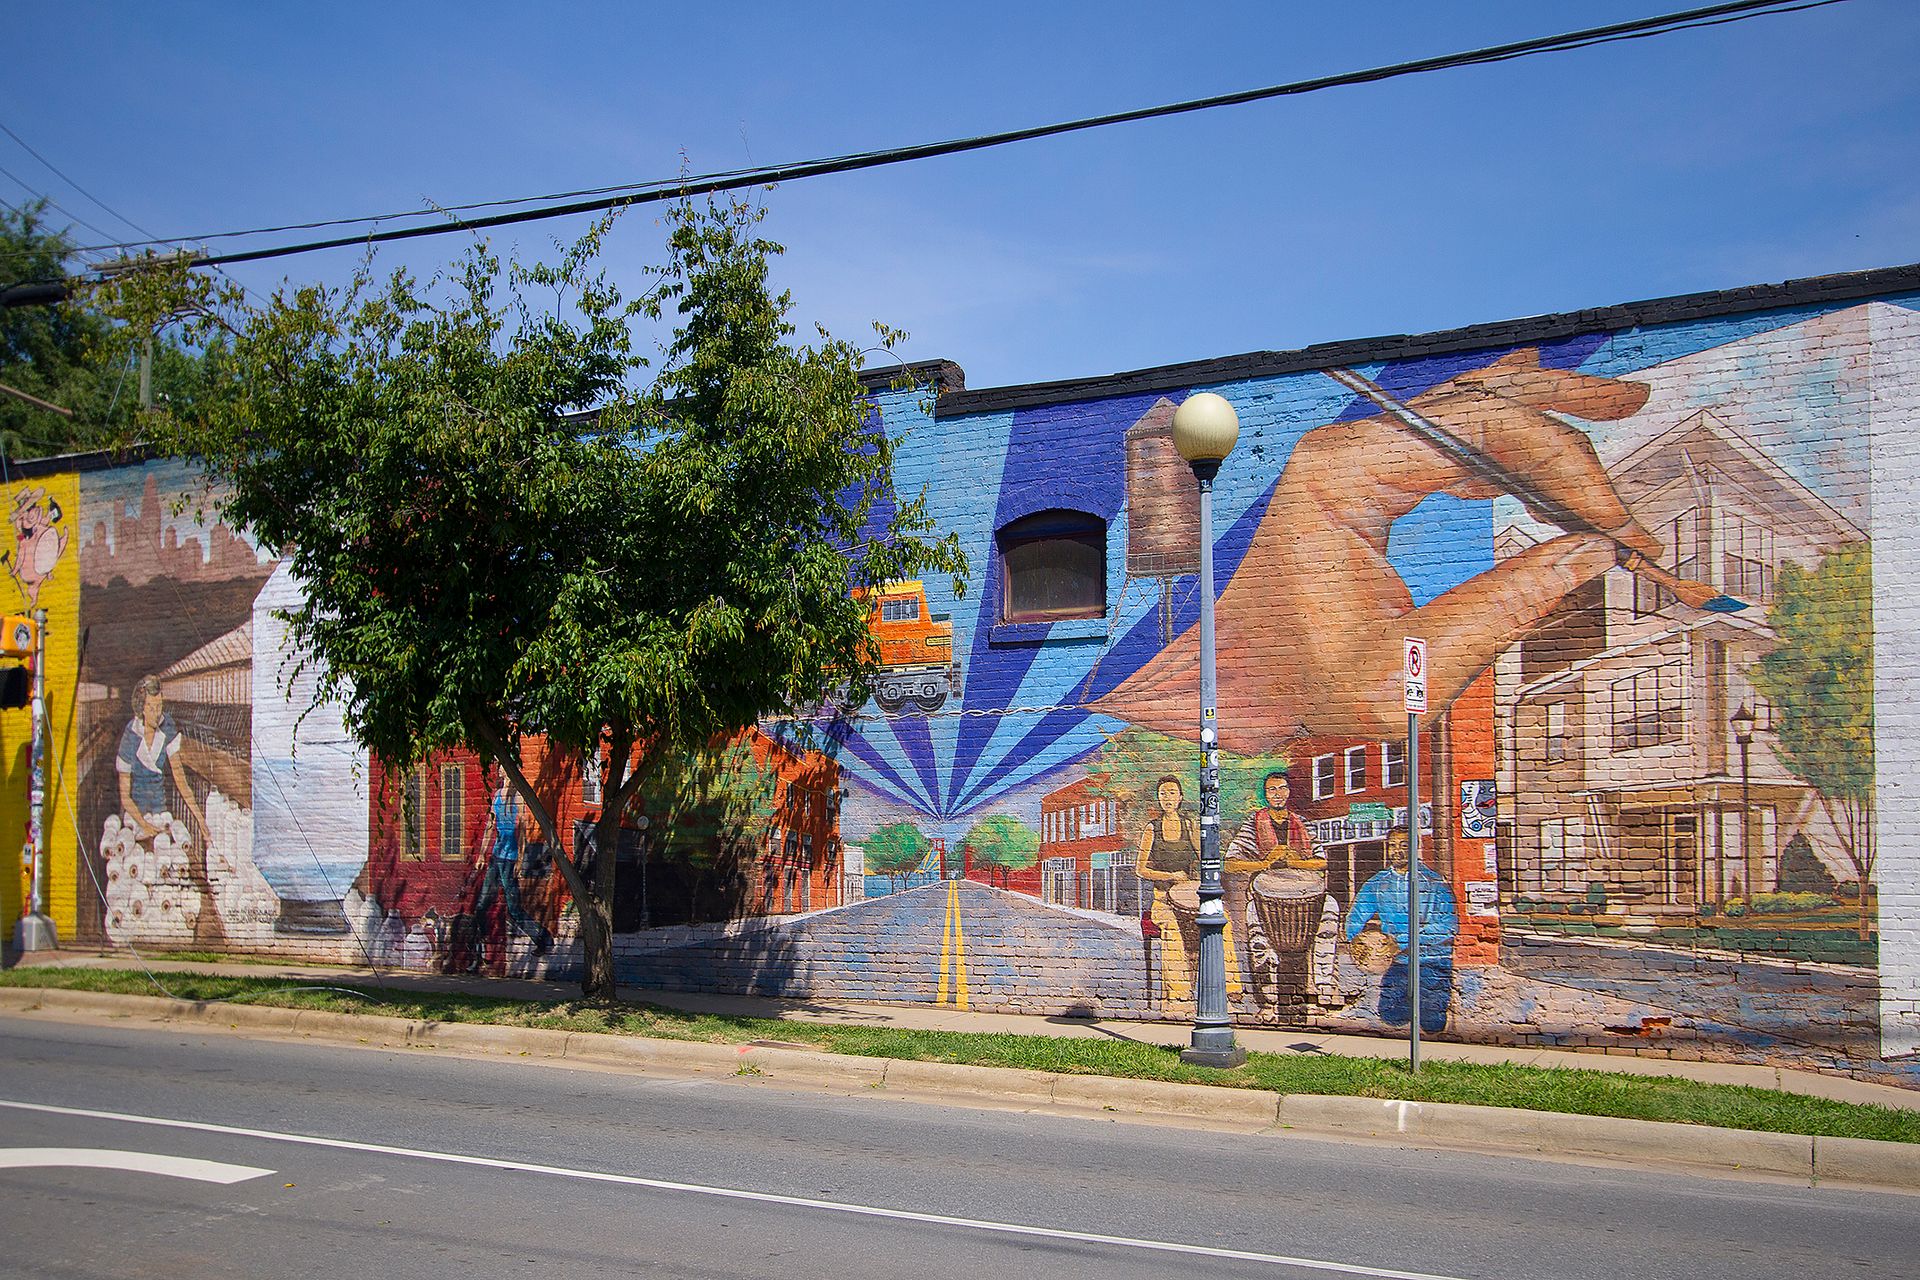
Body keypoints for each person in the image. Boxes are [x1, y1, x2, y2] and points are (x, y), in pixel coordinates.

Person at [1224, 770, 1341, 1012]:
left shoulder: (1302, 823)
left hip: (1306, 896)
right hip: (1265, 899)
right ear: (1265, 795)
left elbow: (1321, 862)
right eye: (1272, 790)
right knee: (1256, 931)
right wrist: (1266, 863)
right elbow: (1231, 863)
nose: (1277, 794)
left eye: (1282, 788)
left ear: (1288, 791)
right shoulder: (1253, 824)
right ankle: (1267, 995)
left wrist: (1293, 861)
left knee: (1330, 908)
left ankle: (1324, 984)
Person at [1134, 775, 1240, 1005]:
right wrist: (1170, 876)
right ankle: (1179, 993)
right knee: (1172, 930)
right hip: (1163, 899)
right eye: (1163, 793)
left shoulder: (1189, 825)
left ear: (1180, 797)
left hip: (1189, 895)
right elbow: (1140, 870)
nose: (1167, 798)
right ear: (1158, 798)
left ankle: (1232, 987)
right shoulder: (1152, 829)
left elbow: (1204, 857)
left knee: (1224, 921)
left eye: (1172, 793)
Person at [1345, 830, 1457, 1034]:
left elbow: (1448, 927)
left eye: (1404, 845)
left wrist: (1401, 941)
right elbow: (1355, 917)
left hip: (1433, 961)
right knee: (1390, 1016)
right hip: (1398, 963)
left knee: (1432, 1024)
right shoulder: (1378, 883)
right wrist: (1358, 943)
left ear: (1415, 847)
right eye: (1393, 845)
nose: (1397, 851)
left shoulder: (1434, 882)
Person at [116, 675, 205, 851]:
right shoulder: (130, 735)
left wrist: (200, 820)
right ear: (141, 708)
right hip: (135, 814)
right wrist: (144, 825)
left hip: (160, 810)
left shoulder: (167, 726)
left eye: (159, 706)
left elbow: (180, 779)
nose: (157, 713)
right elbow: (124, 796)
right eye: (151, 707)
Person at [475, 771, 555, 958]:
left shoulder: (518, 797)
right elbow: (490, 825)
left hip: (510, 860)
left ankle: (544, 938)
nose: (501, 770)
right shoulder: (497, 795)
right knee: (481, 905)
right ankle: (480, 944)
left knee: (514, 910)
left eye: (504, 767)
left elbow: (523, 830)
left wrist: (520, 859)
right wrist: (482, 854)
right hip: (496, 857)